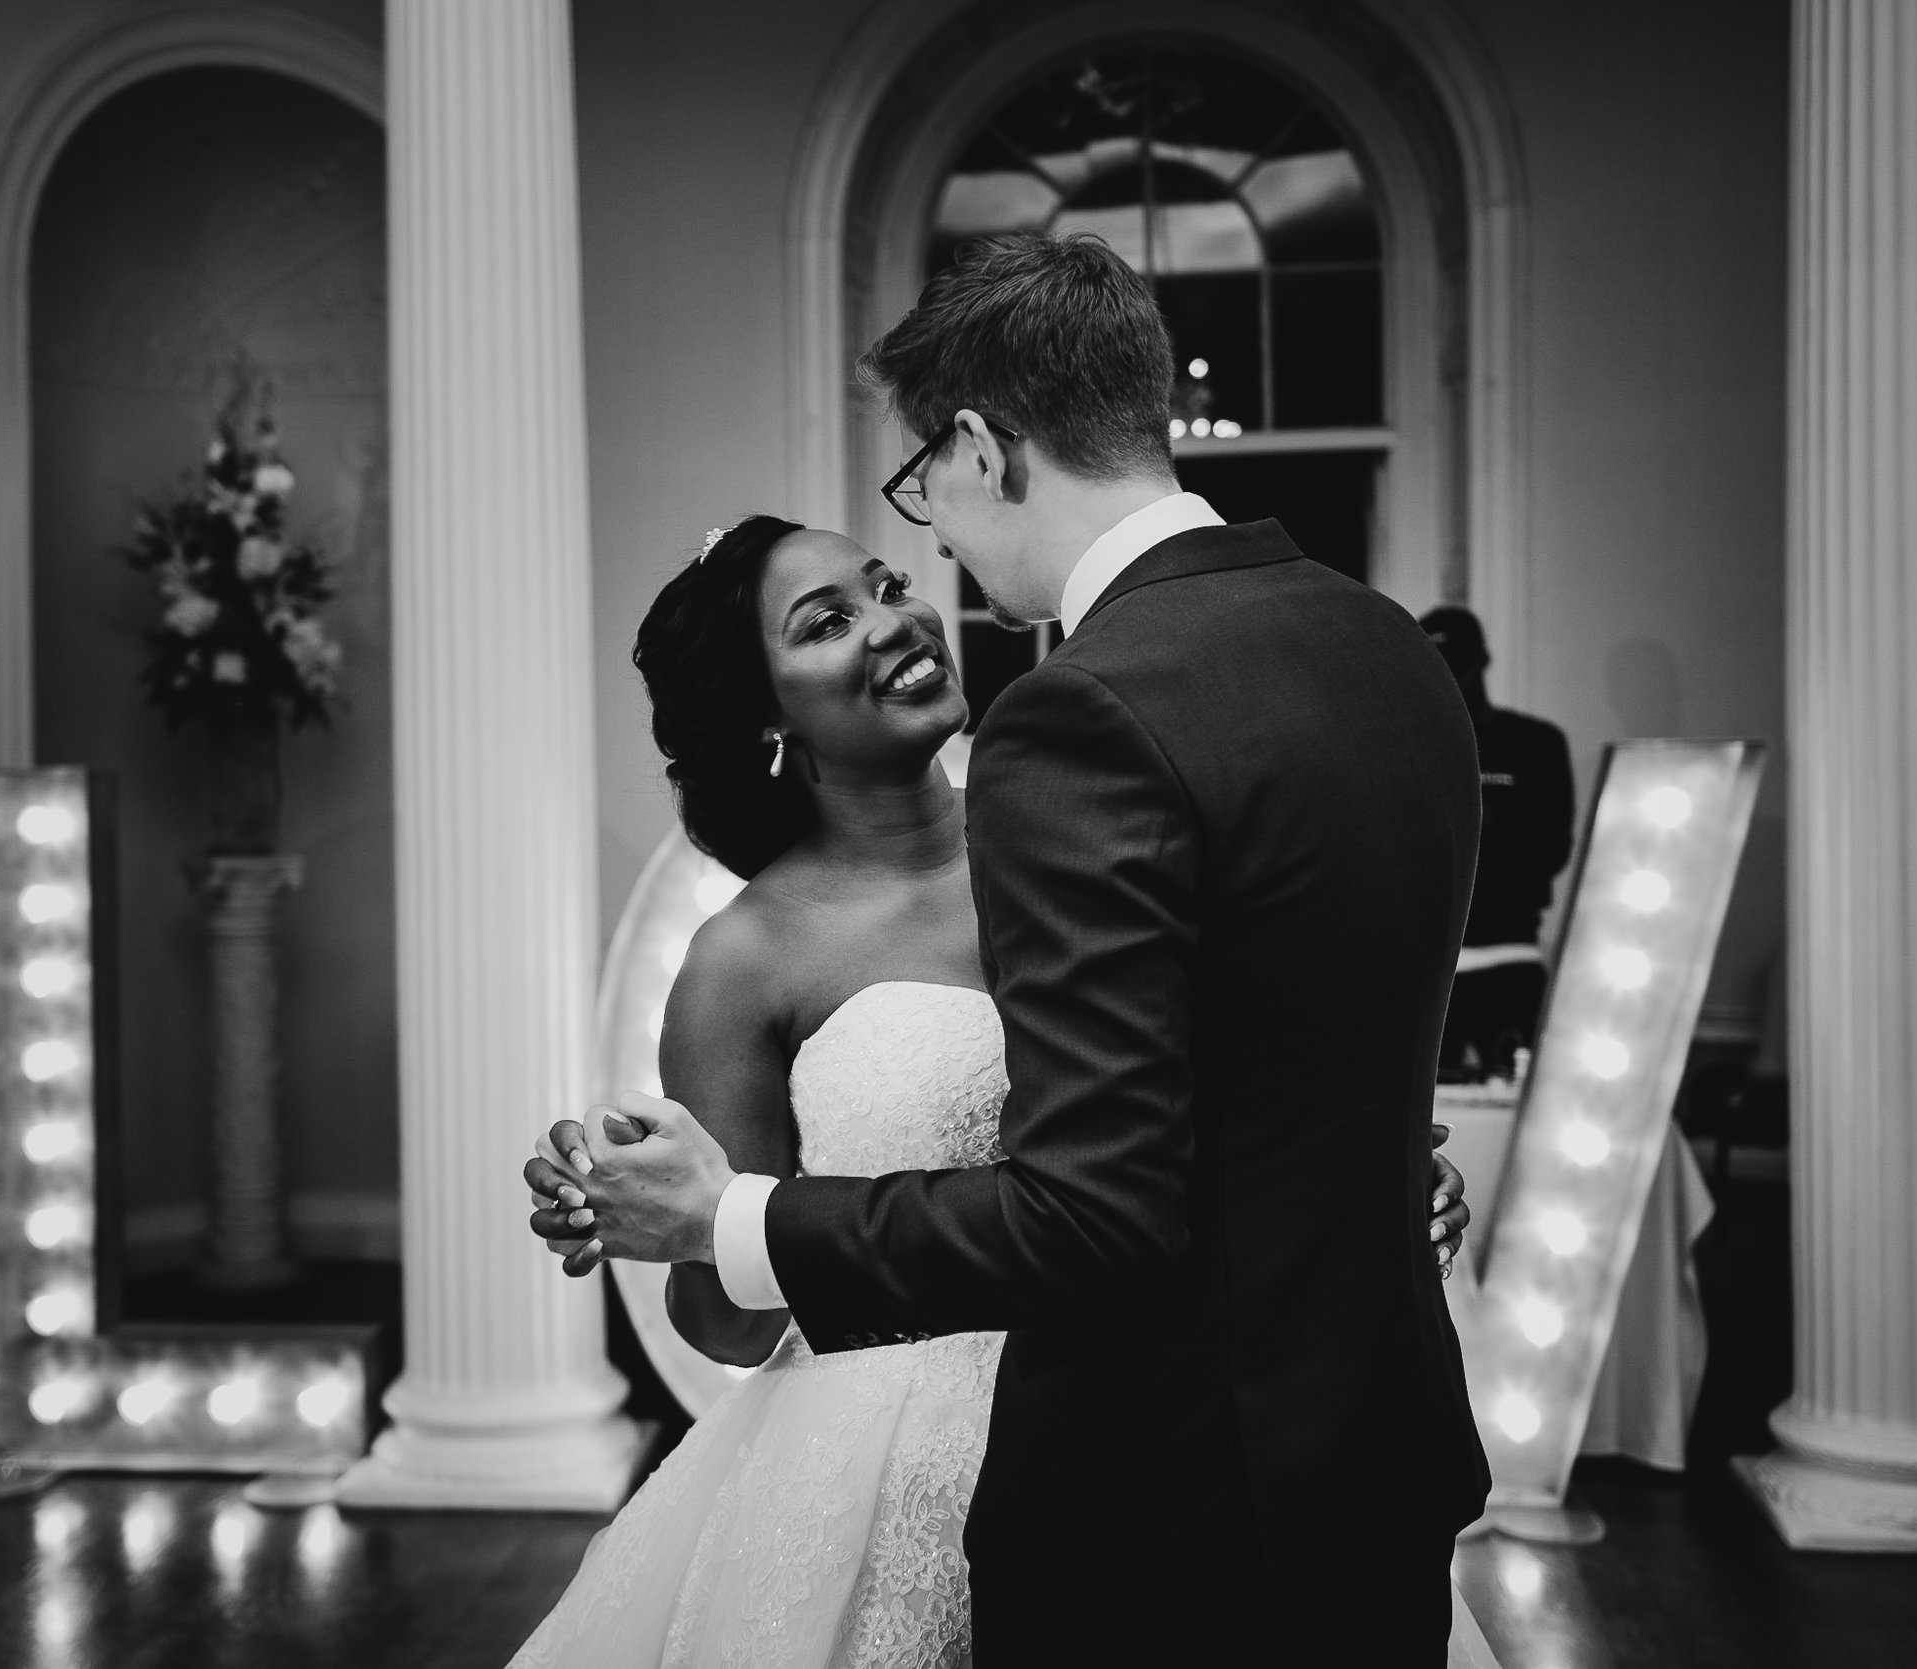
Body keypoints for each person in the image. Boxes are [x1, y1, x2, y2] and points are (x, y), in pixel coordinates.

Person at [525, 232, 1494, 1666]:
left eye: (917, 505)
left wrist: (727, 1217)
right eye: (830, 612)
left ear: (980, 446)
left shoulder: (1080, 731)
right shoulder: (1382, 647)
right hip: (1318, 1453)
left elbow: (1114, 1195)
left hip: (1166, 1480)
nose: (926, 571)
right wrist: (670, 1209)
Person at [1419, 605, 1576, 1079]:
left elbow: (1551, 851)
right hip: (1428, 966)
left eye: (1456, 661)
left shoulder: (1534, 742)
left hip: (1510, 958)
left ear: (1481, 659)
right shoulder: (1411, 744)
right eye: (1435, 661)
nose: (1448, 675)